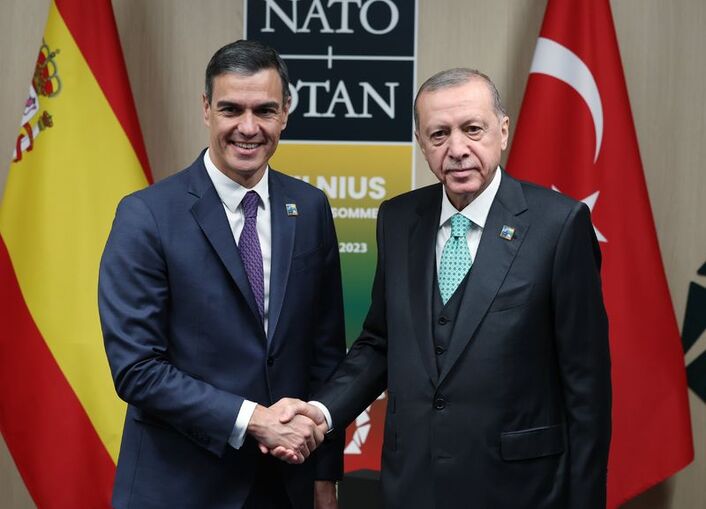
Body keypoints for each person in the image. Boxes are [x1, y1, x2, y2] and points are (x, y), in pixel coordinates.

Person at [277, 68, 611, 508]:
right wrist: (321, 413)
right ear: (421, 141)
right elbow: (379, 344)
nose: (457, 149)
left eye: (472, 129)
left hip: (521, 490)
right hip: (413, 486)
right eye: (439, 134)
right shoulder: (397, 219)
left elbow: (586, 387)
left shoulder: (559, 225)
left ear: (502, 131)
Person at [98, 39, 345, 509]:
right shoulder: (146, 215)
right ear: (206, 109)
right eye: (231, 109)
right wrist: (254, 419)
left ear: (285, 113)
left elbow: (326, 352)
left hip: (286, 486)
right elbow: (136, 369)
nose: (248, 128)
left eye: (265, 110)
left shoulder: (310, 207)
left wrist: (325, 475)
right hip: (180, 486)